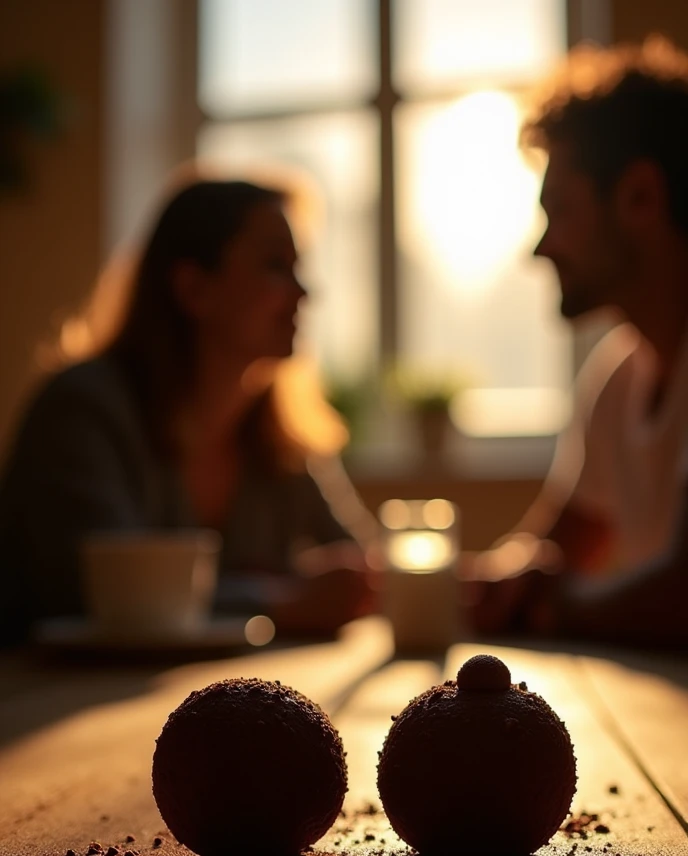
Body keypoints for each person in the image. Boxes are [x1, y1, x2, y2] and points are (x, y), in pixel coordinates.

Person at [0, 177, 375, 643]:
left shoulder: (280, 435)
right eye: (277, 266)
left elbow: (363, 563)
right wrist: (280, 600)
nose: (304, 293)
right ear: (194, 289)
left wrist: (468, 582)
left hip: (211, 704)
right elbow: (108, 598)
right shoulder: (82, 411)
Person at [468, 37, 688, 648]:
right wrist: (495, 580)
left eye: (559, 210)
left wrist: (554, 606)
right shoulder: (620, 373)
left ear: (641, 197)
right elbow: (555, 550)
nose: (541, 249)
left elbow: (682, 595)